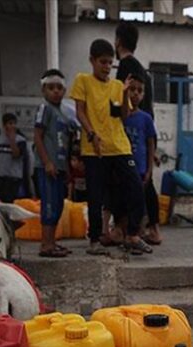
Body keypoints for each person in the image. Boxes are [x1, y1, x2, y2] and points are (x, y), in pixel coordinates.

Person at [70, 39, 150, 255]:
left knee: (135, 186)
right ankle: (95, 239)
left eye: (109, 63)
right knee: (96, 195)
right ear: (92, 61)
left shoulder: (116, 86)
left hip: (120, 146)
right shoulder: (83, 81)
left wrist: (124, 93)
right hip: (94, 149)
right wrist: (91, 133)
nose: (106, 67)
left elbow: (122, 116)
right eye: (103, 62)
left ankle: (133, 234)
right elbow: (80, 111)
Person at [33, 69, 78, 258]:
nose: (56, 91)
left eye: (59, 88)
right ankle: (46, 244)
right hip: (47, 167)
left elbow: (66, 144)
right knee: (49, 205)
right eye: (51, 88)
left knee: (58, 204)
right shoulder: (45, 109)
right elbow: (38, 137)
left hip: (60, 167)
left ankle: (52, 242)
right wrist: (47, 162)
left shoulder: (65, 114)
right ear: (44, 90)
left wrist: (67, 167)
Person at [122, 74, 162, 246]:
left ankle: (152, 230)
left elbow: (150, 143)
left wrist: (149, 169)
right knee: (125, 200)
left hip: (141, 168)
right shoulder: (121, 115)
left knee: (147, 197)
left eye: (140, 91)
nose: (135, 94)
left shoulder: (145, 118)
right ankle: (125, 231)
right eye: (132, 89)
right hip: (123, 166)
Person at [115, 21, 153, 115]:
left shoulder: (124, 67)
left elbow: (120, 101)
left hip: (130, 126)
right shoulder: (144, 73)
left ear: (118, 41)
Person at [0, 113, 29, 203]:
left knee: (12, 202)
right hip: (1, 176)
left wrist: (12, 139)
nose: (12, 126)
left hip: (14, 177)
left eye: (14, 123)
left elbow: (16, 154)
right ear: (4, 125)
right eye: (10, 123)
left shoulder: (21, 140)